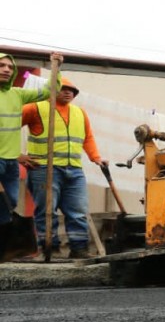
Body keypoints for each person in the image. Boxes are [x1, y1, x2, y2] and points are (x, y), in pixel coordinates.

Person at [19, 77, 107, 258]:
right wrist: (16, 155)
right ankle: (50, 249)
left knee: (78, 211)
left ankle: (79, 249)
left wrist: (95, 157)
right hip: (43, 168)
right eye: (63, 88)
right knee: (47, 211)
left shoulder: (79, 113)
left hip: (74, 170)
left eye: (72, 90)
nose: (69, 92)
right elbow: (7, 127)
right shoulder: (36, 108)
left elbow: (87, 137)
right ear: (52, 89)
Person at [0, 52, 61, 230]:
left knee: (9, 201)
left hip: (10, 161)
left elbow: (50, 91)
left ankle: (3, 245)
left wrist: (55, 68)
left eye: (10, 67)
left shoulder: (17, 94)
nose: (6, 70)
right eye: (2, 65)